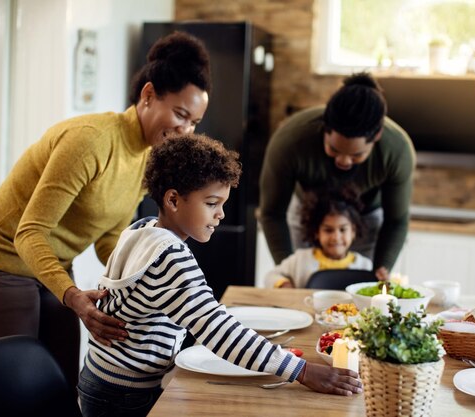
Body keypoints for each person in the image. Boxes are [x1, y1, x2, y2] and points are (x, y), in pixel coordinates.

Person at [77, 133, 363, 417]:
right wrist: (301, 370)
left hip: (103, 380)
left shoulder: (142, 229)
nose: (221, 215)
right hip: (124, 395)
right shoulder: (169, 257)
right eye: (212, 203)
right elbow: (218, 330)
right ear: (174, 200)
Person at [0, 31, 212, 387]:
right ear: (149, 95)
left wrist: (143, 278)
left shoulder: (148, 156)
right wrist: (75, 297)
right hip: (0, 260)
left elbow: (109, 236)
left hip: (52, 264)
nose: (185, 130)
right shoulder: (90, 141)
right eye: (180, 114)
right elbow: (28, 232)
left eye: (194, 122)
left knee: (61, 382)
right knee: (14, 385)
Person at [259, 72, 416, 281]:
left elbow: (397, 220)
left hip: (365, 219)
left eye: (356, 155)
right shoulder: (290, 141)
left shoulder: (397, 150)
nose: (344, 161)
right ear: (325, 128)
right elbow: (272, 213)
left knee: (357, 289)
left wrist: (379, 273)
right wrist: (288, 272)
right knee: (304, 282)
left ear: (376, 136)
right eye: (333, 149)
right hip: (307, 215)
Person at [264, 186, 372, 288]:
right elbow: (270, 276)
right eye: (328, 230)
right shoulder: (300, 260)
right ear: (316, 232)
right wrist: (284, 285)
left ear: (353, 231)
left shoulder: (364, 266)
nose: (336, 237)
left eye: (343, 230)